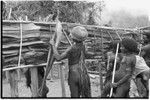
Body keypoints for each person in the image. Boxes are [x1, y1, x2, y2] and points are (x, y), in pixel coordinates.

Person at [50, 26, 94, 97]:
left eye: (72, 35)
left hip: (74, 74)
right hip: (84, 73)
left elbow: (58, 57)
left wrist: (53, 45)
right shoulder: (84, 46)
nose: (70, 35)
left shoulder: (71, 48)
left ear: (74, 38)